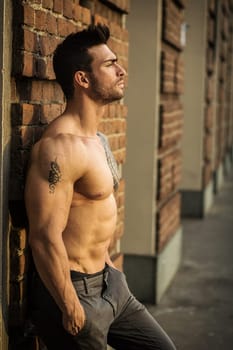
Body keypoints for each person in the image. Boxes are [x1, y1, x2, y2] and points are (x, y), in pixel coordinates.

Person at [24, 24, 176, 350]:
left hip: (112, 286)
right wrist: (69, 304)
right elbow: (44, 236)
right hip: (75, 293)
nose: (121, 70)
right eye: (109, 64)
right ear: (82, 79)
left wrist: (109, 267)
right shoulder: (58, 149)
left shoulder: (99, 139)